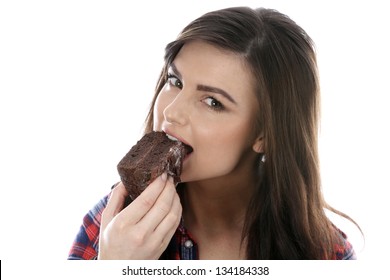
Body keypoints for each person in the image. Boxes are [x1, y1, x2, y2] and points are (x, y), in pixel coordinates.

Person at [68, 6, 359, 260]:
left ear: (264, 135)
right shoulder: (113, 226)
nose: (171, 112)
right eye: (175, 81)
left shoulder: (325, 255)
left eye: (212, 102)